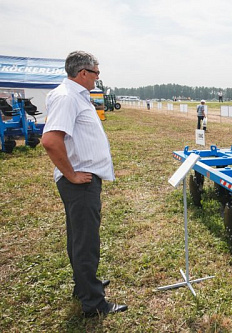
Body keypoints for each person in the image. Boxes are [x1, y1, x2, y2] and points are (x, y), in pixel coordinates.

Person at [41, 51, 127, 318]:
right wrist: (71, 175)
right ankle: (93, 302)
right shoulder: (67, 97)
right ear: (83, 74)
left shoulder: (76, 96)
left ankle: (85, 285)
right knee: (86, 241)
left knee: (79, 238)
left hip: (84, 181)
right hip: (80, 183)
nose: (98, 78)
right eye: (96, 73)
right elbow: (50, 141)